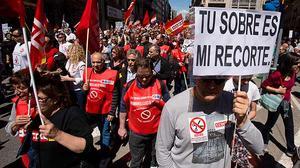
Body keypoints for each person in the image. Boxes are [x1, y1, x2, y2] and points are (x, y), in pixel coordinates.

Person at [156, 76, 264, 167]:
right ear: (196, 77)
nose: (212, 86)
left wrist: (242, 120)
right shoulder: (173, 106)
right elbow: (162, 150)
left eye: (218, 81)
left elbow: (258, 147)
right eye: (206, 80)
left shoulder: (233, 103)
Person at [26, 73, 95, 168]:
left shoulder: (72, 113)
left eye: (40, 99)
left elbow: (86, 146)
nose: (35, 103)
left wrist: (58, 134)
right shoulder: (39, 117)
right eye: (33, 98)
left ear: (55, 99)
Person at [118, 57, 170, 168]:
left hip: (157, 133)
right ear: (136, 72)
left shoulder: (160, 84)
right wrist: (122, 127)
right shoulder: (128, 86)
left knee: (154, 160)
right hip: (136, 133)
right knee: (136, 161)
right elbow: (123, 108)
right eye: (140, 76)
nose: (144, 80)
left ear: (152, 72)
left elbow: (170, 107)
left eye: (148, 76)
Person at [82, 52, 120, 167]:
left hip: (105, 112)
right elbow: (85, 94)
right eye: (93, 62)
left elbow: (115, 95)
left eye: (98, 62)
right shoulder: (87, 73)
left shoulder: (112, 74)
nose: (95, 64)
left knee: (104, 133)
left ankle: (104, 157)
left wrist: (112, 112)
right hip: (91, 111)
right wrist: (84, 89)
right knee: (86, 133)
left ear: (104, 62)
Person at [262, 53, 299, 157]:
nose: (298, 65)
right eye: (296, 63)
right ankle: (264, 138)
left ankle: (291, 149)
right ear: (289, 63)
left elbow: (289, 89)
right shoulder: (276, 74)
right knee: (270, 123)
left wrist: (289, 100)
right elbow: (264, 85)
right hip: (275, 103)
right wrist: (277, 90)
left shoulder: (293, 73)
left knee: (289, 125)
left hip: (286, 103)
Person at [223, 75, 261, 167]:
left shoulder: (253, 88)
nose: (246, 82)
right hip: (226, 130)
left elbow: (253, 111)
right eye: (243, 78)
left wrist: (243, 119)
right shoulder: (224, 86)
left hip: (241, 130)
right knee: (228, 156)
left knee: (243, 158)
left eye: (249, 78)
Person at [5, 69, 36, 168]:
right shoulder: (17, 103)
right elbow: (9, 128)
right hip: (26, 150)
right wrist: (15, 124)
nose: (17, 92)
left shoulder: (42, 102)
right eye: (15, 89)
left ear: (32, 86)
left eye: (22, 88)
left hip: (43, 150)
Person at [60, 44, 85, 110]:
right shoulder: (69, 61)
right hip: (70, 89)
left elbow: (83, 79)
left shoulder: (81, 64)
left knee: (79, 109)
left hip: (79, 91)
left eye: (69, 51)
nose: (67, 52)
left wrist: (69, 79)